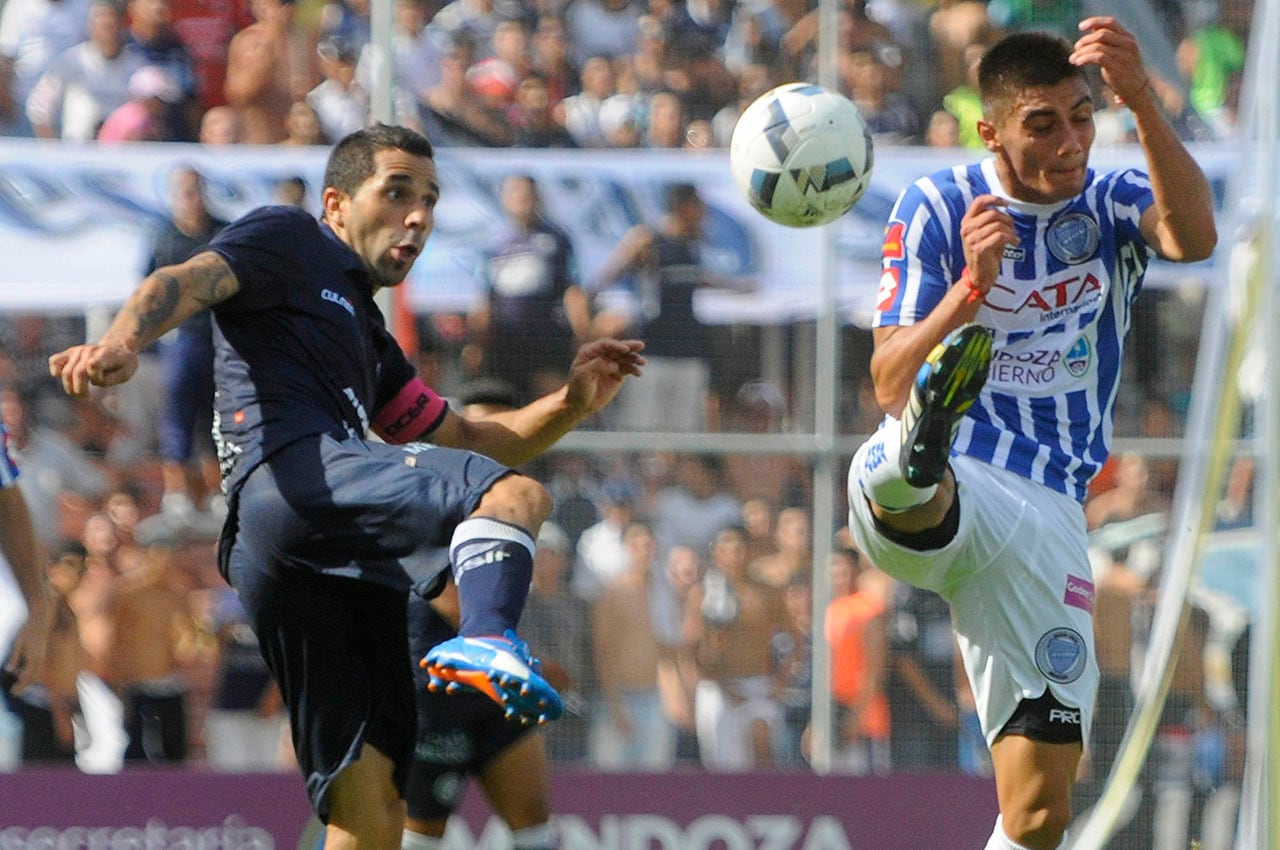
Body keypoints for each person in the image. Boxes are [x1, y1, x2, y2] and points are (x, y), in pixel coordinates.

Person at [49, 123, 644, 850]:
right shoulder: (289, 237)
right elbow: (186, 281)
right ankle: (488, 639)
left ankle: (478, 651)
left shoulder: (366, 336)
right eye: (396, 193)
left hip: (295, 553)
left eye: (429, 199)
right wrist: (121, 342)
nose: (418, 215)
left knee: (368, 814)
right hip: (292, 478)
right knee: (514, 497)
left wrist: (574, 402)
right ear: (335, 204)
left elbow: (469, 438)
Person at [843, 19, 1215, 850]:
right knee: (921, 448)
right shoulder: (939, 205)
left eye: (1081, 117)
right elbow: (887, 379)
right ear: (992, 130)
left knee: (1041, 814)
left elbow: (1195, 238)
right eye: (1042, 124)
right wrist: (968, 292)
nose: (1070, 140)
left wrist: (1143, 100)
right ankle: (918, 458)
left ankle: (917, 460)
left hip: (1049, 512)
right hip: (960, 473)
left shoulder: (1110, 201)